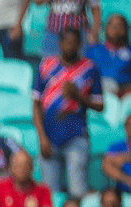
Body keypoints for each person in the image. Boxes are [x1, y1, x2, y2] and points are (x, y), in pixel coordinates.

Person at [33, 27, 103, 197]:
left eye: (74, 43)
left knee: (78, 191)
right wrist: (42, 138)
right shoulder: (46, 65)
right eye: (66, 42)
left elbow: (100, 105)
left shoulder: (90, 67)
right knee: (50, 194)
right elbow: (36, 105)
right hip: (49, 138)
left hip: (77, 137)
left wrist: (78, 95)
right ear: (60, 43)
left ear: (80, 44)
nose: (70, 46)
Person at [34, 0, 100, 57]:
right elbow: (37, 0)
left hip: (78, 34)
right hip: (54, 32)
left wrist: (95, 31)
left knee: (80, 63)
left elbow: (96, 9)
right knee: (50, 63)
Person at [86, 13, 131, 98]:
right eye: (112, 25)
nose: (115, 29)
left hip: (126, 97)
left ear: (126, 29)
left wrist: (123, 91)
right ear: (105, 28)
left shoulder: (130, 51)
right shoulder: (94, 51)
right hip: (99, 96)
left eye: (120, 25)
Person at [102, 114, 131, 193]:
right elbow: (107, 166)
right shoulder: (116, 147)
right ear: (125, 127)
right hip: (123, 191)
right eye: (129, 125)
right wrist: (128, 180)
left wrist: (122, 158)